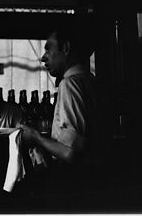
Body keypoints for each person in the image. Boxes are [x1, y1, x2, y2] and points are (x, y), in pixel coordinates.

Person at [16, 25, 100, 204]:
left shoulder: (70, 85)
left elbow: (71, 153)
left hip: (72, 185)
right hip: (96, 182)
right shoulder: (92, 82)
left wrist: (36, 137)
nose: (43, 57)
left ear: (66, 48)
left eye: (48, 49)